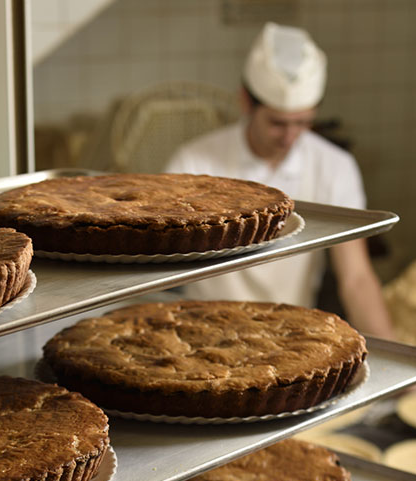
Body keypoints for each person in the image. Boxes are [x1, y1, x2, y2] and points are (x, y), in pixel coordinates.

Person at [164, 22, 393, 339]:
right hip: (205, 334)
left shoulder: (334, 167)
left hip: (290, 338)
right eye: (277, 123)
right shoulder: (192, 164)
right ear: (246, 102)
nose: (289, 137)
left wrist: (393, 349)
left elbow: (356, 278)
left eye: (303, 123)